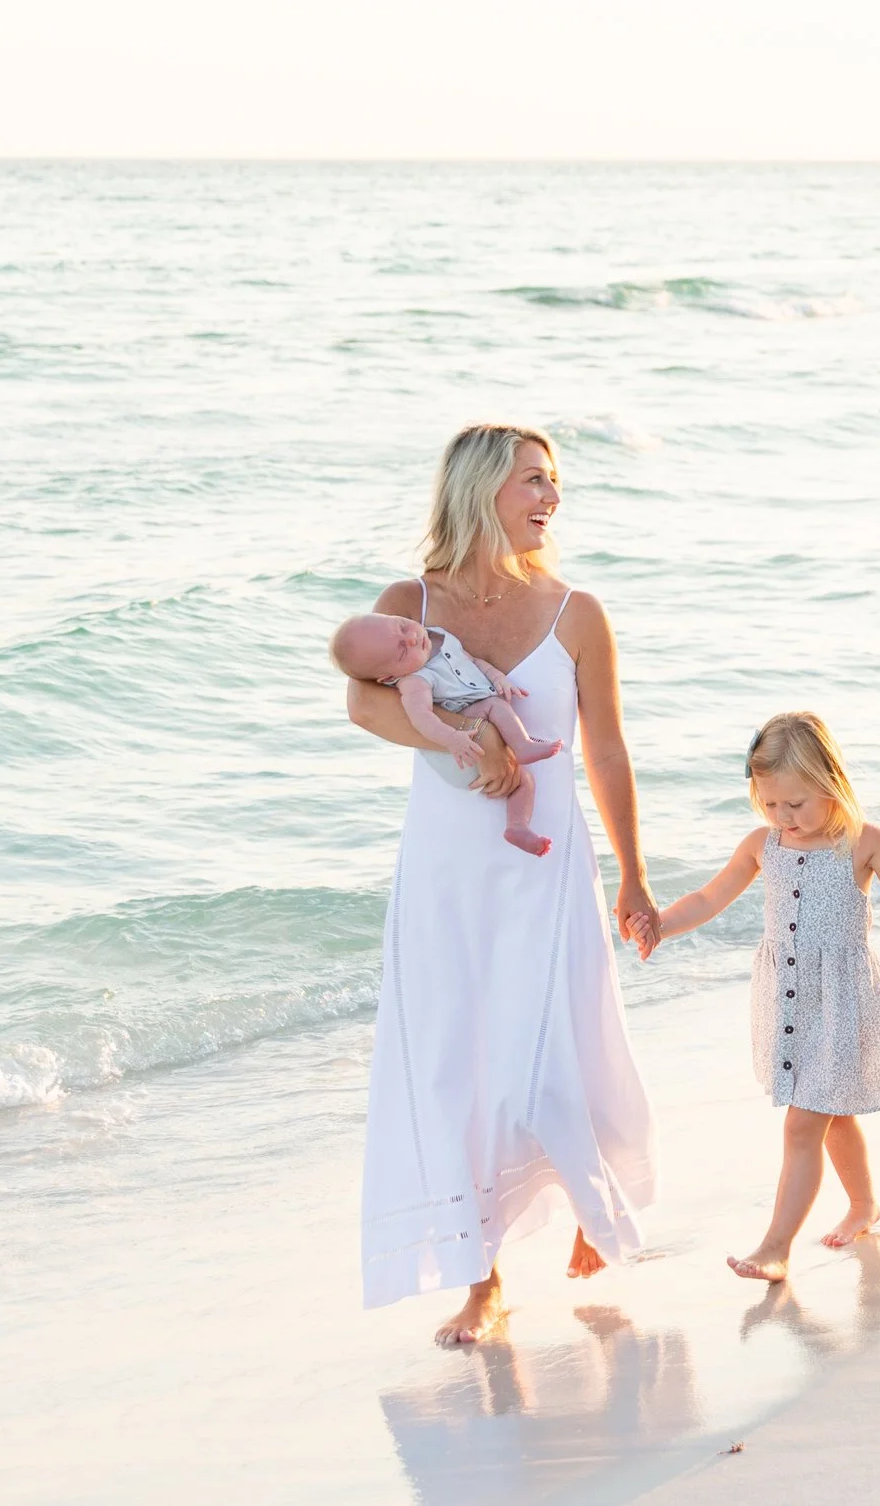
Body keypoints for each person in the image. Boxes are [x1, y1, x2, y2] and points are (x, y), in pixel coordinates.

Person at [345, 423, 662, 1345]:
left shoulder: (577, 613)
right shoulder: (409, 603)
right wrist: (466, 741)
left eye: (554, 480)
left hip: (546, 865)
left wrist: (635, 874)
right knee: (453, 1064)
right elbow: (362, 701)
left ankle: (588, 1205)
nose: (551, 497)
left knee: (549, 1059)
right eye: (534, 480)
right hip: (448, 870)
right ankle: (481, 1279)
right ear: (482, 489)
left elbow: (605, 747)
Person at [650, 712, 880, 1282]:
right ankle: (863, 1204)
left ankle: (777, 1246)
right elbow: (710, 898)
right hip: (788, 1006)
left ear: (832, 784)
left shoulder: (863, 843)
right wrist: (659, 924)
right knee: (832, 1115)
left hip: (841, 1006)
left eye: (797, 804)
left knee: (804, 1125)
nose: (784, 817)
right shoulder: (764, 846)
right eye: (771, 803)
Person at [327, 611, 562, 855]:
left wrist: (499, 678)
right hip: (463, 735)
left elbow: (473, 662)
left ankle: (517, 827)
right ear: (389, 677)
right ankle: (522, 746)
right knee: (497, 708)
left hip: (476, 719)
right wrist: (452, 738)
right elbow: (422, 719)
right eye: (401, 651)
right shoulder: (414, 681)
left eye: (404, 626)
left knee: (524, 781)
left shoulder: (438, 636)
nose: (411, 639)